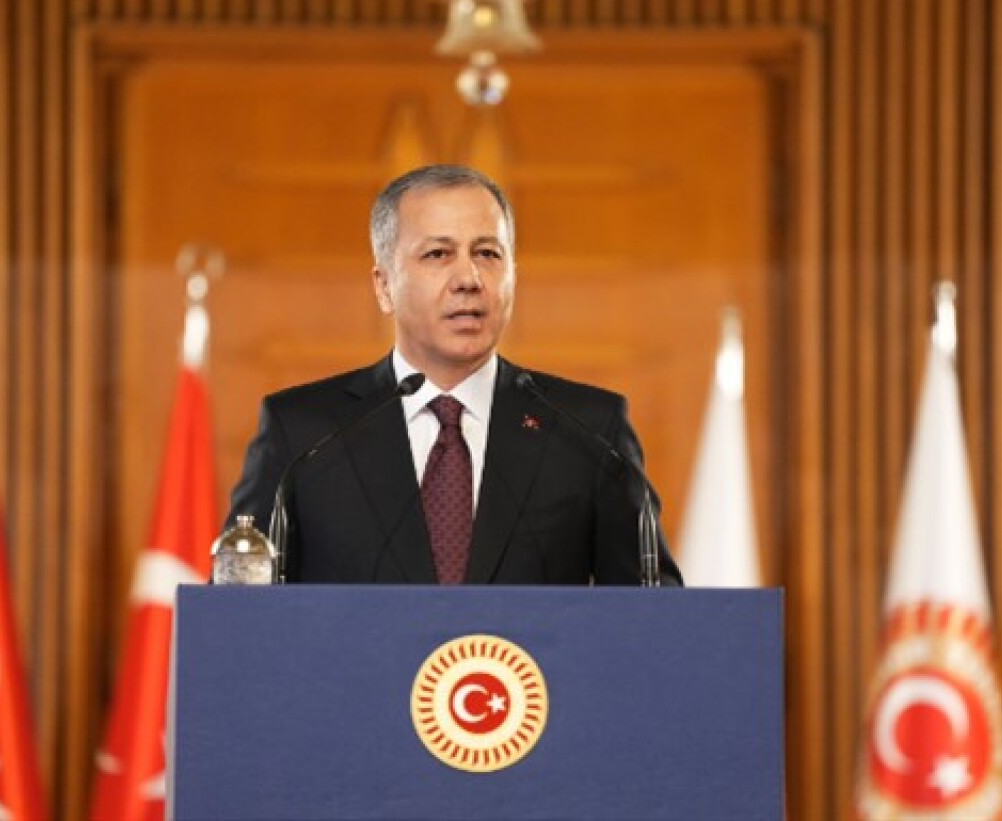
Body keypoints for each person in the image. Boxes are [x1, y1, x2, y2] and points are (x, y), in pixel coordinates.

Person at [225, 164, 682, 586]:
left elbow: (652, 619)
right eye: (438, 254)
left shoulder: (589, 432)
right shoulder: (304, 436)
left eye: (487, 253)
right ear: (384, 286)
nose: (469, 277)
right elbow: (240, 619)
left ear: (512, 275)